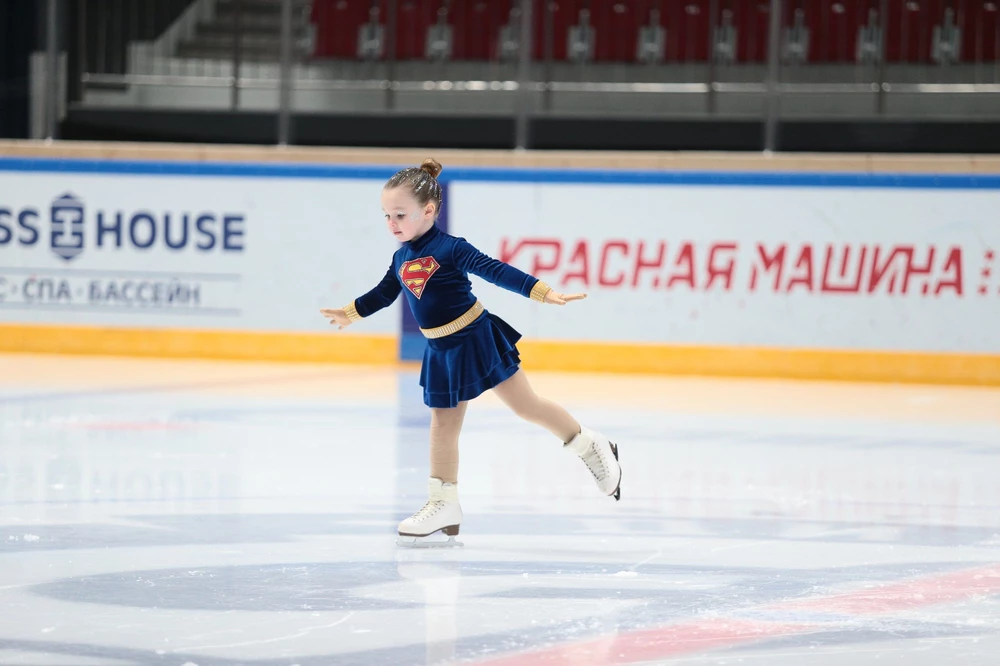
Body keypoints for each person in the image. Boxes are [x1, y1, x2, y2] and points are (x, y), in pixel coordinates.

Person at [321, 159, 621, 546]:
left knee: (526, 406)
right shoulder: (400, 258)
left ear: (428, 211)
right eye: (386, 216)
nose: (392, 223)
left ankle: (590, 444)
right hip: (440, 348)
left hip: (475, 338)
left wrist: (543, 292)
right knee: (442, 425)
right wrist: (350, 313)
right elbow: (384, 292)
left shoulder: (451, 249)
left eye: (400, 214)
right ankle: (443, 502)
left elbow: (494, 270)